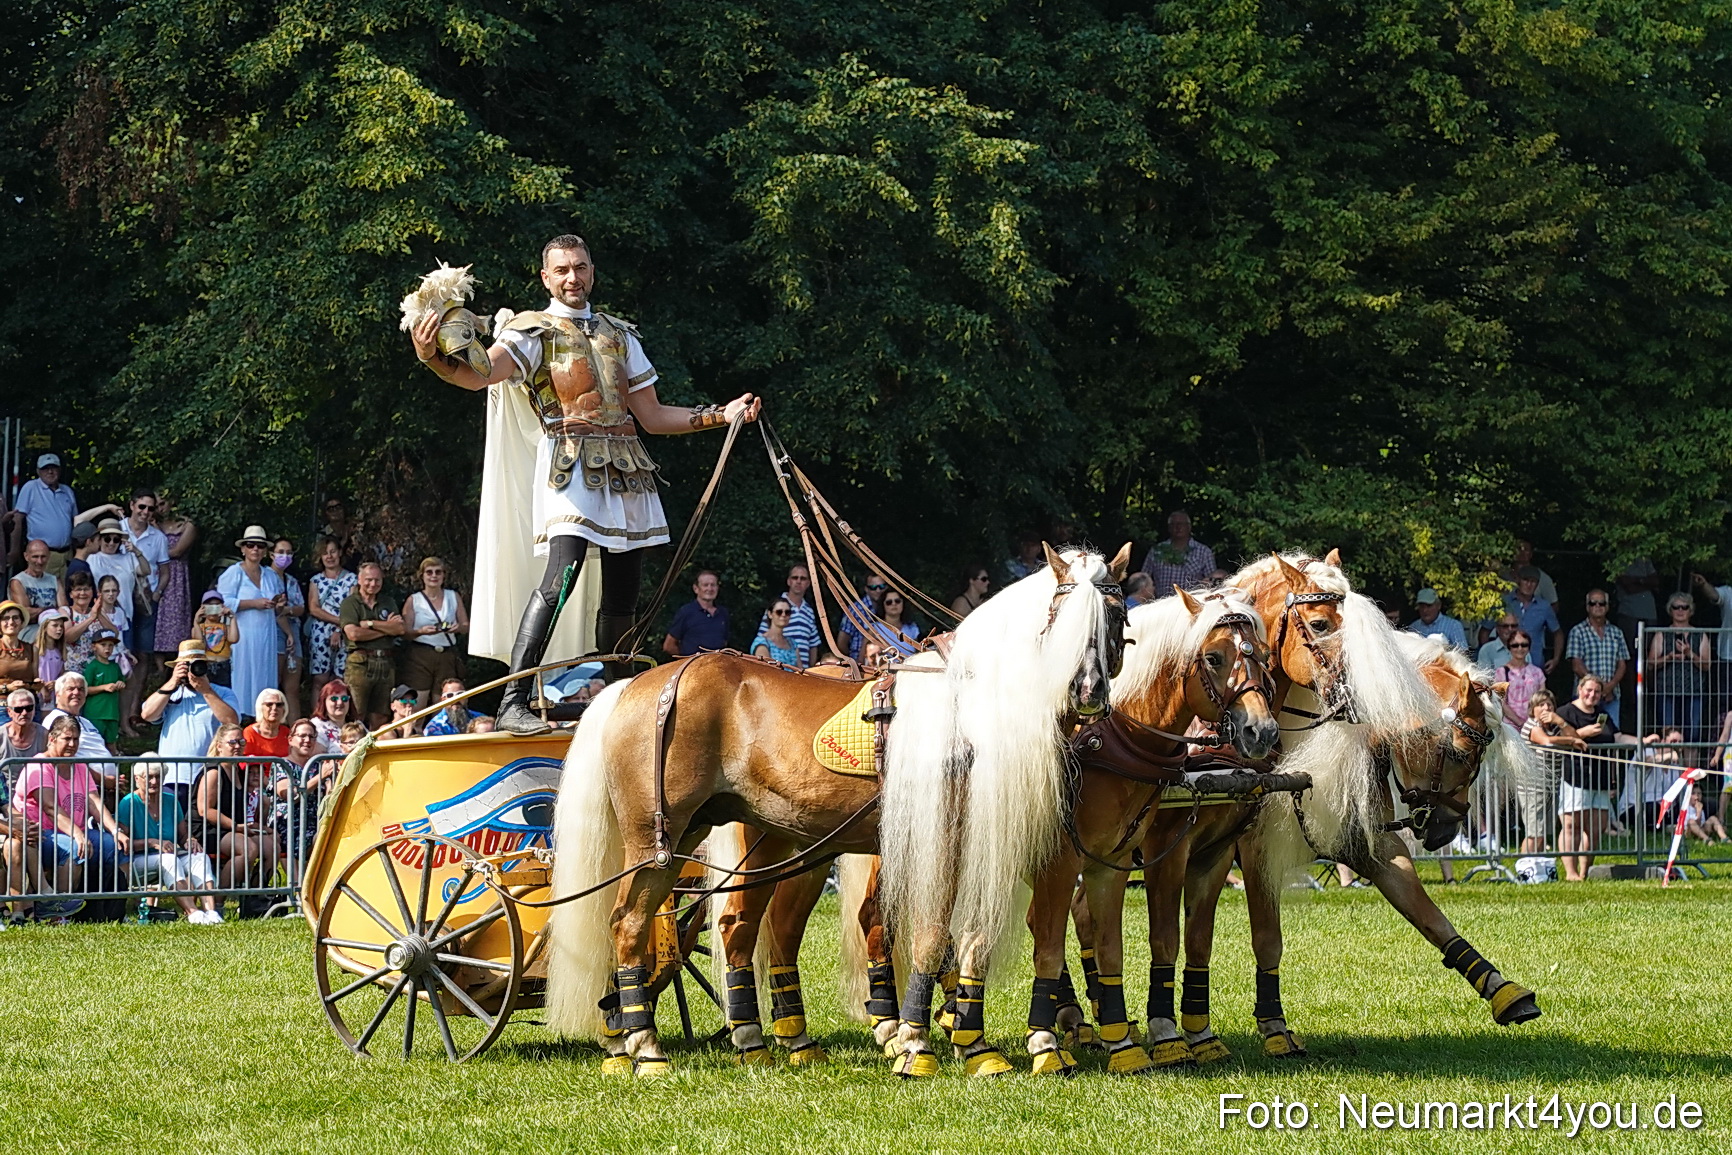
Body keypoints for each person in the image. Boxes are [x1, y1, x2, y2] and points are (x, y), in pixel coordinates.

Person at [407, 235, 760, 733]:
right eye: (562, 270)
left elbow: (653, 415)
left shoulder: (620, 335)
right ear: (546, 278)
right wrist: (432, 357)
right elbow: (480, 374)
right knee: (562, 575)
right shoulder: (532, 332)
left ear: (592, 271)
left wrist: (720, 415)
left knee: (623, 594)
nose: (573, 278)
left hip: (626, 469)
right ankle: (514, 699)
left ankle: (627, 704)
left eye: (580, 268)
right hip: (569, 464)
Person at [15, 715, 129, 908]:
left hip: (70, 830)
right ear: (52, 738)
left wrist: (115, 830)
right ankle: (55, 907)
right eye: (67, 739)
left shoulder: (79, 765)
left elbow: (94, 802)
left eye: (76, 739)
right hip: (39, 833)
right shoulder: (39, 765)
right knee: (76, 848)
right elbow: (50, 807)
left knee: (116, 846)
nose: (72, 744)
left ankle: (118, 908)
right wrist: (78, 834)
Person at [139, 639, 242, 810]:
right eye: (186, 665)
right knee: (173, 828)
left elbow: (232, 721)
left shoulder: (222, 693)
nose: (192, 670)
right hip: (173, 776)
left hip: (209, 776)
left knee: (202, 829)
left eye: (197, 665)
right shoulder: (170, 694)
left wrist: (206, 691)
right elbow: (147, 714)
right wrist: (172, 682)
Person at [115, 759, 221, 924]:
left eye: (158, 777)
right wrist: (150, 842)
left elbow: (183, 835)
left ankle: (211, 911)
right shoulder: (127, 803)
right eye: (149, 777)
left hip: (170, 855)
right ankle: (193, 913)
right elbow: (123, 844)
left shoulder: (171, 800)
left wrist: (190, 841)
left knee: (200, 857)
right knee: (169, 860)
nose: (154, 781)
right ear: (137, 778)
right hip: (136, 860)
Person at [190, 724, 279, 897]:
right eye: (232, 742)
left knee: (271, 846)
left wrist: (255, 824)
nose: (237, 746)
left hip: (233, 828)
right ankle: (218, 901)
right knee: (248, 848)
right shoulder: (214, 771)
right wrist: (237, 826)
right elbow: (205, 810)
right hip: (207, 829)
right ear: (219, 746)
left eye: (241, 741)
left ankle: (254, 897)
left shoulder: (237, 770)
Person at [218, 525, 287, 722]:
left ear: (265, 550)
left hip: (266, 634)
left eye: (259, 546)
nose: (255, 549)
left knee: (265, 673)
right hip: (242, 634)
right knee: (243, 674)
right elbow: (223, 602)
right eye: (250, 545)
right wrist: (253, 604)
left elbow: (278, 607)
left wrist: (279, 604)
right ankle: (239, 717)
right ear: (243, 549)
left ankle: (264, 717)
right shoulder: (233, 573)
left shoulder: (271, 575)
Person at [1556, 674, 1618, 881]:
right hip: (1574, 776)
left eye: (1597, 692)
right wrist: (1584, 733)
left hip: (1599, 779)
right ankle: (1570, 873)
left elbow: (1617, 737)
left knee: (1596, 828)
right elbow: (1556, 740)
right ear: (1579, 689)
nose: (1592, 695)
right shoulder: (1565, 712)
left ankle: (1584, 873)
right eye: (1588, 690)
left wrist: (1643, 740)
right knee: (1571, 825)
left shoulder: (1603, 714)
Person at [338, 562, 405, 728]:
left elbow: (400, 629)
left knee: (381, 714)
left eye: (377, 580)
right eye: (368, 580)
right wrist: (386, 629)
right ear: (359, 579)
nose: (373, 584)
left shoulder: (388, 602)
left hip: (386, 663)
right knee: (356, 713)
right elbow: (353, 633)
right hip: (360, 661)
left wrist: (368, 623)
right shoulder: (350, 603)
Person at [401, 556, 469, 709]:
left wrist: (457, 628)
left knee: (444, 706)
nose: (434, 576)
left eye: (438, 572)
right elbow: (405, 632)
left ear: (444, 575)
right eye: (429, 572)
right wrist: (421, 631)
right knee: (417, 705)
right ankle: (415, 732)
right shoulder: (414, 600)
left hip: (447, 654)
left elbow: (465, 626)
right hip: (421, 654)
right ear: (422, 576)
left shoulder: (453, 596)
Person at [1647, 594, 1712, 741]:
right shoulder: (1661, 634)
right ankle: (1669, 762)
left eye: (1685, 607)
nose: (1680, 610)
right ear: (1670, 610)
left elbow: (1707, 665)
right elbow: (1650, 663)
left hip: (1693, 692)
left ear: (1691, 611)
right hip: (1666, 692)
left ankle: (1691, 764)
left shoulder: (1700, 634)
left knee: (1693, 734)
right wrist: (1669, 657)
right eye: (1676, 607)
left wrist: (1690, 654)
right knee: (1668, 734)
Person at [5, 454, 78, 578]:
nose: (50, 471)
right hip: (42, 556)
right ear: (38, 471)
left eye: (53, 468)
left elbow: (76, 521)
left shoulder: (67, 491)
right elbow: (17, 519)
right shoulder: (31, 488)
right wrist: (15, 550)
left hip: (67, 555)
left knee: (65, 593)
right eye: (45, 468)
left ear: (59, 470)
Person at [120, 489, 169, 667]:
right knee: (121, 649)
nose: (145, 512)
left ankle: (137, 696)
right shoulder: (117, 529)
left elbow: (165, 571)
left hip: (146, 599)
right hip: (120, 598)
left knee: (143, 652)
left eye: (150, 508)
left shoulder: (159, 537)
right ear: (131, 505)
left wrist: (157, 594)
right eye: (141, 506)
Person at [304, 536, 357, 694]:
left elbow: (353, 608)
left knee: (340, 680)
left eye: (333, 551)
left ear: (340, 553)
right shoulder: (316, 580)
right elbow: (313, 608)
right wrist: (339, 621)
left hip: (345, 633)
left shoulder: (352, 579)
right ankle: (317, 717)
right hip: (320, 633)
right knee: (319, 679)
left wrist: (339, 629)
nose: (329, 556)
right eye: (325, 553)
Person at [1566, 589, 1630, 714]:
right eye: (1593, 603)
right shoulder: (1577, 631)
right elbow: (1577, 665)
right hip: (1585, 696)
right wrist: (1599, 688)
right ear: (1587, 607)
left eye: (1602, 603)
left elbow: (1622, 665)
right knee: (1585, 732)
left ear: (1607, 607)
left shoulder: (1617, 633)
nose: (1597, 606)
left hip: (1612, 695)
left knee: (1611, 733)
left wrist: (1609, 687)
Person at [153, 492, 197, 660]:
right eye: (156, 506)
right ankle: (159, 667)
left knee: (176, 617)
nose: (160, 508)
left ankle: (178, 661)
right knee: (158, 619)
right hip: (158, 573)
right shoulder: (155, 524)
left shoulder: (186, 524)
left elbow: (177, 551)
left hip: (177, 576)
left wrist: (158, 540)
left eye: (162, 503)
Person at [1139, 509, 1216, 598]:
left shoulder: (1203, 552)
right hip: (1160, 605)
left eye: (1182, 524)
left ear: (1189, 527)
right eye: (1174, 524)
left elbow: (1212, 582)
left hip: (1190, 606)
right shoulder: (1157, 551)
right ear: (1169, 528)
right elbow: (1143, 578)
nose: (1178, 527)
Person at [1500, 567, 1563, 673]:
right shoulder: (1504, 602)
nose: (1529, 585)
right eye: (1525, 580)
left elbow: (1558, 633)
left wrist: (1556, 659)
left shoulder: (1544, 606)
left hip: (1535, 665)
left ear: (1537, 584)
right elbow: (1485, 630)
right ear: (1518, 580)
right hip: (1506, 664)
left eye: (1533, 581)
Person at [757, 564, 821, 667]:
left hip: (803, 671)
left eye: (803, 578)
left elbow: (813, 644)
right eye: (795, 577)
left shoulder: (809, 611)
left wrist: (811, 670)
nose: (798, 581)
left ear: (808, 583)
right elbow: (762, 637)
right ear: (789, 581)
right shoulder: (777, 607)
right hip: (777, 667)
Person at [271, 538, 307, 723]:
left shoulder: (292, 581)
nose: (285, 556)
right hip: (272, 630)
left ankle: (296, 731)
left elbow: (301, 608)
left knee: (292, 688)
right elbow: (275, 610)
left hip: (293, 629)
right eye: (281, 552)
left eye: (289, 552)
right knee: (273, 685)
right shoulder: (265, 577)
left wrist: (287, 610)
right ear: (271, 554)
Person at [43, 672, 111, 761]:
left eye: (81, 689)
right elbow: (55, 755)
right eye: (70, 689)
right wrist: (98, 775)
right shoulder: (54, 719)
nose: (76, 692)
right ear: (58, 695)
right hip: (82, 774)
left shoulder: (86, 722)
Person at [9, 540, 65, 645]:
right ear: (26, 556)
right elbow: (25, 614)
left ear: (48, 557)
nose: (39, 561)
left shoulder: (54, 580)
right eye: (35, 556)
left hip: (55, 630)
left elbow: (65, 611)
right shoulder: (18, 582)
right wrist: (52, 610)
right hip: (30, 632)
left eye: (43, 557)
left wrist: (40, 612)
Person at [663, 570, 730, 658]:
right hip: (693, 668)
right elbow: (668, 646)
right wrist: (685, 660)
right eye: (705, 585)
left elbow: (724, 642)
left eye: (713, 585)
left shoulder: (723, 613)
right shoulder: (686, 612)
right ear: (696, 589)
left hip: (719, 666)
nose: (710, 589)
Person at [80, 629, 125, 746]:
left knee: (111, 745)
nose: (107, 648)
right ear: (94, 647)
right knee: (95, 745)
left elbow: (123, 682)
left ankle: (113, 764)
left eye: (111, 645)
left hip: (112, 714)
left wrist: (121, 684)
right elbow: (85, 689)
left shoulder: (115, 666)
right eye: (103, 644)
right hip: (95, 713)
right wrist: (103, 687)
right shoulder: (92, 666)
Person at [1493, 631, 1545, 728]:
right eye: (1515, 645)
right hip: (1509, 726)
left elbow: (1542, 700)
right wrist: (1520, 722)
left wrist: (1532, 723)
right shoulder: (1501, 672)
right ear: (1509, 648)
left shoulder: (1537, 672)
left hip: (1533, 725)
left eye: (1524, 645)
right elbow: (1500, 702)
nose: (1520, 648)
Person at [192, 589, 239, 687]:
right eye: (210, 607)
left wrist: (232, 618)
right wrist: (196, 621)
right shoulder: (199, 628)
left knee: (223, 694)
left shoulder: (226, 628)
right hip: (206, 666)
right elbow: (199, 644)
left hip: (223, 666)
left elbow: (234, 639)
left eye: (217, 606)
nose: (213, 610)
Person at [837, 574, 888, 665]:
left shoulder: (889, 605)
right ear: (866, 589)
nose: (878, 590)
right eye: (873, 587)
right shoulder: (856, 609)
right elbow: (842, 642)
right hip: (858, 664)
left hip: (882, 661)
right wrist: (853, 661)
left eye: (882, 586)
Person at [62, 573, 102, 675]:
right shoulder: (65, 611)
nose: (82, 593)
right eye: (78, 589)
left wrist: (99, 613)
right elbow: (68, 637)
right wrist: (91, 618)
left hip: (96, 670)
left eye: (86, 589)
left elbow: (113, 633)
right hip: (73, 670)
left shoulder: (97, 611)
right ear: (71, 594)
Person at [871, 590, 921, 660]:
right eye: (889, 602)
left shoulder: (912, 628)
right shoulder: (874, 628)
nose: (894, 604)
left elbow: (919, 655)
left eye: (897, 601)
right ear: (883, 605)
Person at [244, 688, 291, 760]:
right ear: (260, 707)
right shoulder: (249, 733)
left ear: (284, 709)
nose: (274, 708)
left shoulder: (287, 733)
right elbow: (243, 761)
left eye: (279, 705)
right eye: (269, 704)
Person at [310, 679, 357, 750]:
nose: (340, 702)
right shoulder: (316, 725)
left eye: (344, 698)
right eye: (334, 699)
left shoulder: (357, 725)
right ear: (323, 701)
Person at [1, 688, 46, 762]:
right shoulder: (1, 736)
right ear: (9, 712)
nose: (24, 713)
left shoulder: (45, 735)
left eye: (29, 708)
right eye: (18, 709)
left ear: (34, 709)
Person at [751, 599, 799, 666]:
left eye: (787, 612)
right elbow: (765, 670)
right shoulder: (761, 642)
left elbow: (801, 671)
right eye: (779, 612)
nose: (783, 615)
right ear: (770, 614)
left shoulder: (792, 643)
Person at [0, 601, 35, 691]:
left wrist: (37, 685)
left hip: (26, 700)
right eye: (6, 618)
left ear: (21, 622)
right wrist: (7, 688)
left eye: (15, 618)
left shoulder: (31, 649)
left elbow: (34, 679)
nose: (11, 622)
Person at [34, 609, 68, 698]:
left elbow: (61, 673)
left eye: (61, 626)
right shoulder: (35, 649)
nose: (59, 629)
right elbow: (32, 675)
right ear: (44, 627)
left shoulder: (59, 651)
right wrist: (42, 688)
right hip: (38, 695)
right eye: (55, 625)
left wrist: (57, 682)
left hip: (55, 695)